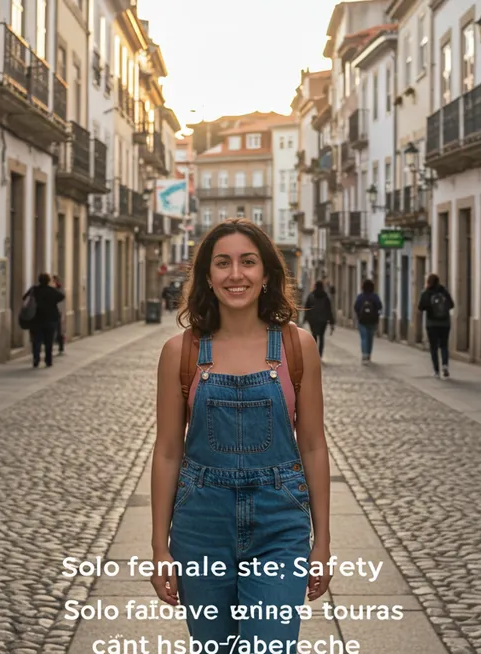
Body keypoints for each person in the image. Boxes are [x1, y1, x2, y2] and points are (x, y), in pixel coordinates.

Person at [150, 218, 332, 652]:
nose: (236, 274)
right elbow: (168, 451)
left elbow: (312, 444)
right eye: (223, 263)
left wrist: (322, 542)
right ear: (207, 277)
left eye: (248, 262)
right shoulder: (181, 352)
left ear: (267, 274)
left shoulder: (296, 347)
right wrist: (160, 547)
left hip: (279, 523)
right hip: (200, 525)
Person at [23, 273, 65, 368]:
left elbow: (24, 297)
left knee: (36, 340)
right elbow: (62, 296)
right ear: (48, 281)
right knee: (48, 341)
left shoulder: (34, 289)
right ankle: (48, 360)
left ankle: (36, 359)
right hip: (50, 318)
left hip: (36, 318)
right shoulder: (52, 290)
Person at [418, 273, 455, 378]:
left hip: (432, 324)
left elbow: (420, 307)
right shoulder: (444, 291)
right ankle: (445, 366)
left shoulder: (426, 293)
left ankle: (436, 371)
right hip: (445, 323)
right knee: (444, 345)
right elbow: (452, 305)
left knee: (433, 348)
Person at [301, 281, 335, 357]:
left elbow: (307, 308)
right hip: (323, 320)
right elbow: (329, 310)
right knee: (322, 337)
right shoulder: (326, 297)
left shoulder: (311, 296)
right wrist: (331, 322)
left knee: (314, 336)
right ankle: (320, 354)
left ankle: (314, 354)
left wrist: (305, 319)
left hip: (313, 320)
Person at [353, 279, 382, 363]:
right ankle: (369, 354)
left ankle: (364, 355)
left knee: (364, 338)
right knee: (370, 338)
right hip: (372, 321)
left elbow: (356, 307)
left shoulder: (360, 297)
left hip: (362, 321)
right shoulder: (374, 296)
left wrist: (359, 315)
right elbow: (380, 306)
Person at [51, 274, 66, 355]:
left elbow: (61, 302)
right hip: (53, 312)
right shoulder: (52, 289)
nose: (53, 282)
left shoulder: (59, 289)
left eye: (54, 280)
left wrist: (62, 313)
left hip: (58, 312)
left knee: (59, 330)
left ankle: (61, 346)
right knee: (55, 330)